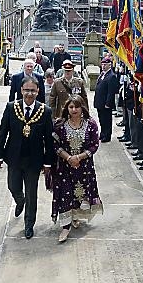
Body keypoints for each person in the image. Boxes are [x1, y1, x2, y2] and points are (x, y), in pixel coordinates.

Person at [0, 76, 55, 239]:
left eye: (33, 91)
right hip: (13, 157)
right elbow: (3, 132)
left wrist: (48, 162)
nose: (29, 93)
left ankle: (29, 223)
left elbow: (49, 139)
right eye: (27, 90)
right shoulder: (11, 107)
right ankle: (19, 201)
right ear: (21, 90)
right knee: (13, 186)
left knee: (32, 193)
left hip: (34, 160)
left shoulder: (45, 111)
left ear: (38, 92)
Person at [51, 96, 103, 242]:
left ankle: (75, 216)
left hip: (84, 167)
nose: (74, 110)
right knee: (65, 194)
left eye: (77, 107)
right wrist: (68, 158)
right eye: (71, 107)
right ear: (67, 108)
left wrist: (79, 158)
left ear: (82, 108)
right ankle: (65, 227)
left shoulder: (91, 124)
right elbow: (54, 145)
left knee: (80, 193)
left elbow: (94, 145)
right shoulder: (60, 125)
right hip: (65, 167)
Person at [94, 57, 119, 142]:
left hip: (105, 103)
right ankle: (103, 133)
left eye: (105, 64)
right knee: (101, 119)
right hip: (99, 102)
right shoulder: (102, 74)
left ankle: (107, 135)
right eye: (102, 64)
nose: (103, 66)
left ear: (110, 65)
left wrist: (108, 103)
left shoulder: (111, 76)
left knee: (106, 120)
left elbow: (111, 92)